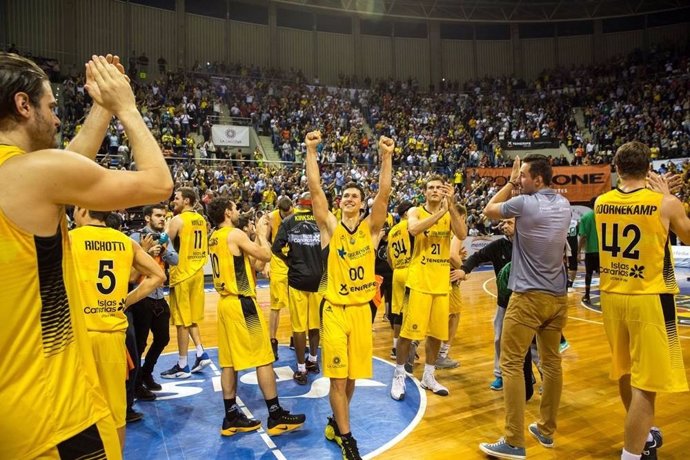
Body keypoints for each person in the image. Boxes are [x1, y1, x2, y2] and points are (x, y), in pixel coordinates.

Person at [0, 53, 172, 459]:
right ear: (24, 106)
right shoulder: (32, 174)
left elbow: (65, 169)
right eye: (52, 107)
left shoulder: (24, 176)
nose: (58, 120)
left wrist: (101, 108)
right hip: (51, 409)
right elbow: (158, 183)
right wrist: (126, 108)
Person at [595, 141, 690, 460]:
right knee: (647, 383)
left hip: (611, 296)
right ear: (649, 169)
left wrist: (664, 196)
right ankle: (632, 455)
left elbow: (635, 206)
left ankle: (645, 436)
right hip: (649, 297)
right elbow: (687, 235)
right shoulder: (665, 203)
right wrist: (670, 198)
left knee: (625, 371)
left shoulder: (601, 201)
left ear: (617, 168)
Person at [306, 130, 393, 460]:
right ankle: (347, 438)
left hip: (361, 312)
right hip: (335, 310)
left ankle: (335, 422)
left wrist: (386, 157)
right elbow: (315, 189)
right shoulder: (329, 226)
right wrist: (310, 151)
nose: (350, 198)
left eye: (356, 195)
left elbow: (384, 194)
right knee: (338, 381)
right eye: (346, 195)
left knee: (351, 378)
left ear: (362, 202)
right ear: (340, 201)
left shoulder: (371, 230)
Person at [479, 154, 571, 459]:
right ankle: (546, 430)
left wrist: (508, 182)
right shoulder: (563, 205)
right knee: (551, 362)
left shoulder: (525, 204)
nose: (520, 179)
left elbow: (488, 210)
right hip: (558, 298)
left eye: (524, 176)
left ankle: (514, 440)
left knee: (511, 364)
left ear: (539, 179)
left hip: (528, 297)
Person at [207, 197, 306, 437]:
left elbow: (254, 264)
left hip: (225, 304)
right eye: (235, 207)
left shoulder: (214, 237)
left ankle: (231, 416)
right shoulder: (234, 234)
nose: (238, 210)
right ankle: (275, 415)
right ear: (228, 213)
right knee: (264, 357)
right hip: (242, 304)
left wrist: (251, 238)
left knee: (228, 363)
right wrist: (261, 234)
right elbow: (267, 255)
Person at [70, 207, 165, 449]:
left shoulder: (70, 239)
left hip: (79, 337)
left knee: (76, 414)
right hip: (113, 336)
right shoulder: (125, 241)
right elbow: (158, 275)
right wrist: (125, 301)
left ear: (82, 210)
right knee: (115, 411)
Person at [390, 176, 467, 401]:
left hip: (441, 283)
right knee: (408, 334)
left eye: (438, 187)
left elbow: (461, 234)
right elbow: (413, 230)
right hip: (419, 281)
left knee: (436, 335)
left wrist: (451, 206)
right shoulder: (416, 211)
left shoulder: (450, 212)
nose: (435, 191)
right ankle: (399, 375)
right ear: (425, 192)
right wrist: (440, 213)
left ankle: (429, 376)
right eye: (431, 187)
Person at [453, 218, 514, 390]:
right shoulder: (498, 245)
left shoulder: (529, 243)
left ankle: (541, 374)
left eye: (509, 222)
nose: (504, 226)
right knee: (499, 339)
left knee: (533, 343)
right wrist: (464, 269)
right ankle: (500, 375)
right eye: (503, 223)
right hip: (504, 302)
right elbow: (477, 257)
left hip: (527, 302)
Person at [271, 192, 322, 385]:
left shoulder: (289, 221)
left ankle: (300, 369)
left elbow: (276, 248)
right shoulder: (322, 220)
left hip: (298, 278)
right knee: (315, 324)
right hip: (319, 279)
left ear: (299, 204)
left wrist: (290, 261)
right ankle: (313, 360)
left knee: (299, 327)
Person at [160, 187, 212, 379]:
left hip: (182, 273)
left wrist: (164, 229)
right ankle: (200, 352)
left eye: (177, 198)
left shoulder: (178, 219)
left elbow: (165, 239)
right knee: (190, 318)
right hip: (197, 273)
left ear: (187, 201)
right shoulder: (201, 219)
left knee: (181, 322)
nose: (174, 200)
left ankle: (183, 365)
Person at [129, 204, 178, 399]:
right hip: (141, 295)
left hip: (158, 295)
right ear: (147, 218)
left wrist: (164, 250)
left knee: (163, 338)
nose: (162, 219)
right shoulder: (135, 237)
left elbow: (175, 260)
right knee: (139, 344)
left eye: (164, 216)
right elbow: (128, 266)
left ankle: (146, 373)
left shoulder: (164, 238)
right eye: (158, 216)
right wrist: (146, 253)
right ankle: (136, 384)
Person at [435, 204, 468, 370]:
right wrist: (463, 269)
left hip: (436, 274)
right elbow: (451, 255)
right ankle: (442, 355)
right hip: (449, 278)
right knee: (454, 315)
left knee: (435, 315)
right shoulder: (457, 232)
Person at [266, 196, 294, 359]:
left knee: (297, 304)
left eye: (290, 211)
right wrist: (267, 262)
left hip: (294, 261)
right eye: (286, 213)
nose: (289, 215)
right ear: (280, 211)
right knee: (275, 305)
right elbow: (267, 241)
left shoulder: (298, 215)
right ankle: (272, 341)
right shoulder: (271, 217)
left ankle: (295, 337)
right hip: (278, 261)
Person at [386, 201, 414, 360]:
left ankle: (396, 347)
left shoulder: (392, 231)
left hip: (397, 272)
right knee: (410, 311)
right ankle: (408, 347)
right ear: (406, 213)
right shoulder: (411, 226)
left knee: (397, 311)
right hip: (411, 270)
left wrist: (397, 268)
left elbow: (389, 258)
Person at [578, 198, 599, 304]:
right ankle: (604, 295)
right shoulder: (604, 216)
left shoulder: (585, 217)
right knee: (603, 275)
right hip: (603, 252)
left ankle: (587, 295)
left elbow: (583, 236)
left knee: (588, 274)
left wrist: (578, 252)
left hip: (590, 251)